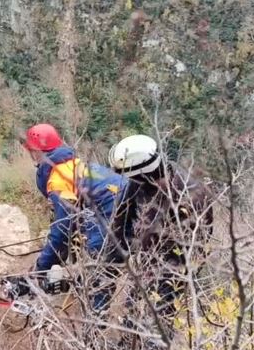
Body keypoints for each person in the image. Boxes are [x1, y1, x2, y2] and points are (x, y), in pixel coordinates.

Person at [21, 124, 129, 311]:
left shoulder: (58, 179)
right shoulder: (74, 163)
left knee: (99, 269)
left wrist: (40, 267)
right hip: (131, 203)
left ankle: (95, 328)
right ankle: (87, 290)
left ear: (36, 152)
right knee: (99, 260)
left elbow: (61, 230)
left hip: (110, 211)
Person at [108, 134, 214, 317]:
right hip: (149, 260)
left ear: (142, 172)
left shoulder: (190, 196)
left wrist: (161, 274)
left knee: (157, 318)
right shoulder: (138, 185)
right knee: (132, 312)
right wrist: (107, 268)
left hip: (175, 266)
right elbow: (120, 224)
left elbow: (194, 246)